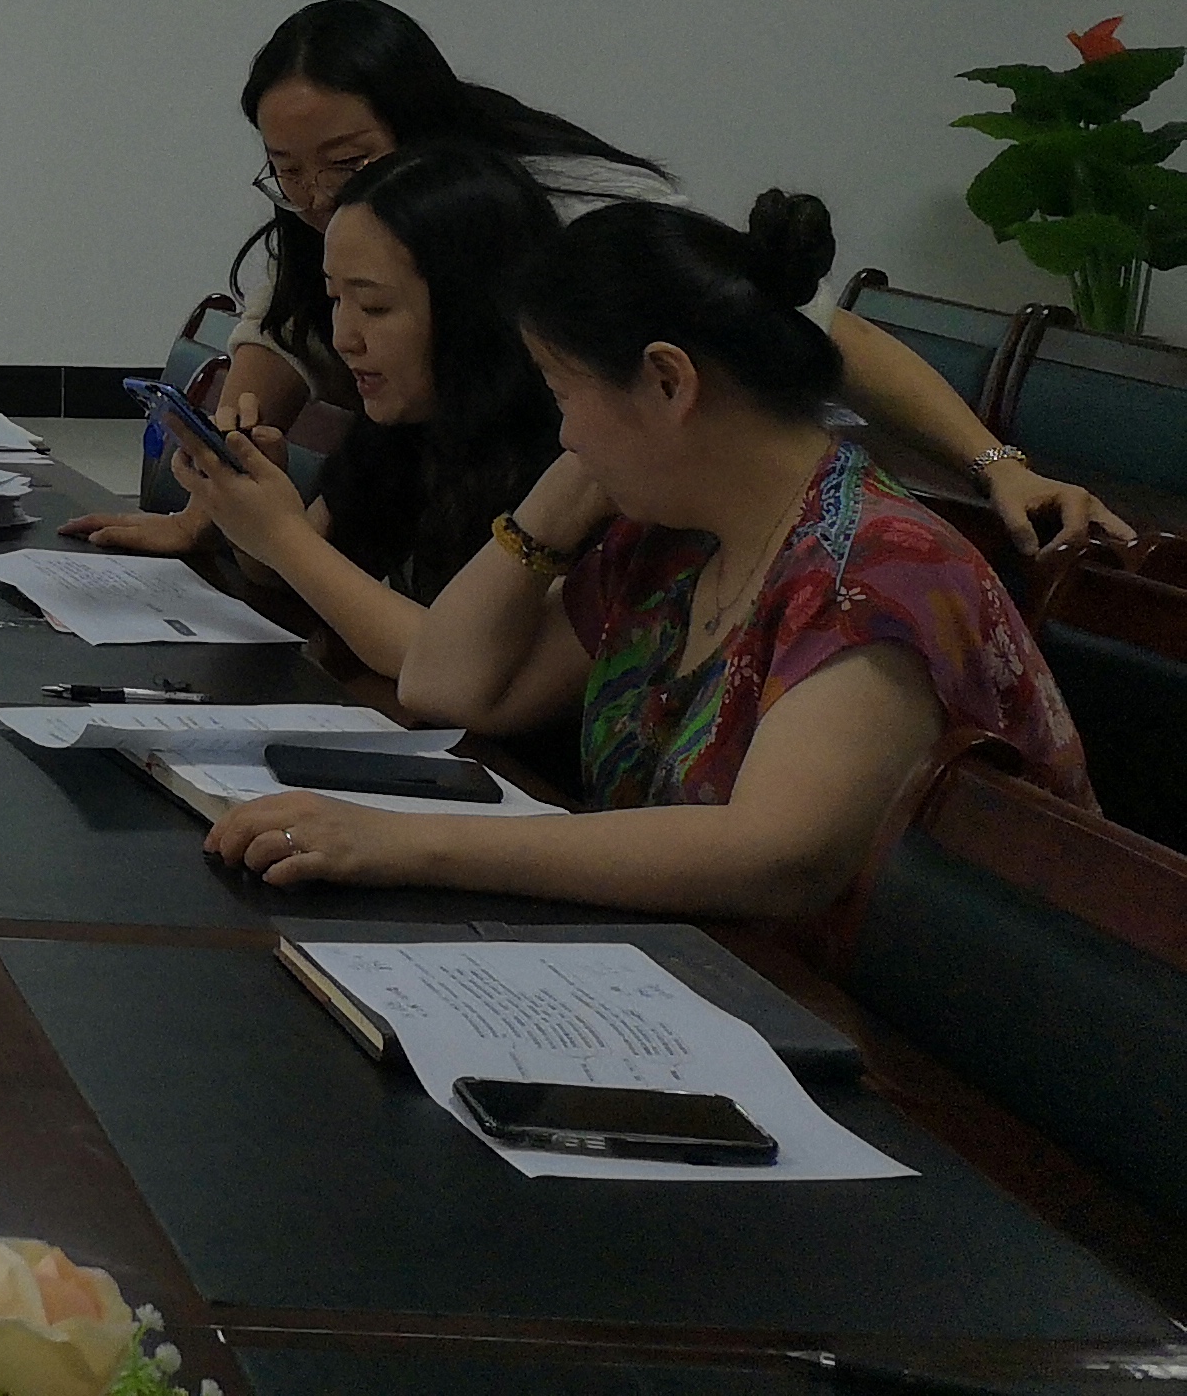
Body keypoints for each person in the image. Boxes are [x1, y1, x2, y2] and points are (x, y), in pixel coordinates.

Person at [206, 191, 1093, 917]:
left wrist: (407, 843)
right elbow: (450, 685)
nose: (562, 432)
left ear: (669, 382)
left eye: (564, 394)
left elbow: (772, 855)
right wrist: (563, 494)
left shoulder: (879, 568)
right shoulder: (671, 542)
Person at [154, 0, 1119, 556]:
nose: (315, 198)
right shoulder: (354, 235)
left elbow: (805, 321)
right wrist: (212, 503)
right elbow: (277, 327)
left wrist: (997, 465)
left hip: (704, 495)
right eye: (286, 171)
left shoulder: (577, 212)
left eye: (347, 163)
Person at [75, 142, 559, 681]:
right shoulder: (402, 431)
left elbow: (450, 667)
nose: (344, 337)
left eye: (374, 306)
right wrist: (249, 503)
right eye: (334, 299)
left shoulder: (558, 459)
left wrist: (282, 535)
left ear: (476, 307)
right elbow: (289, 575)